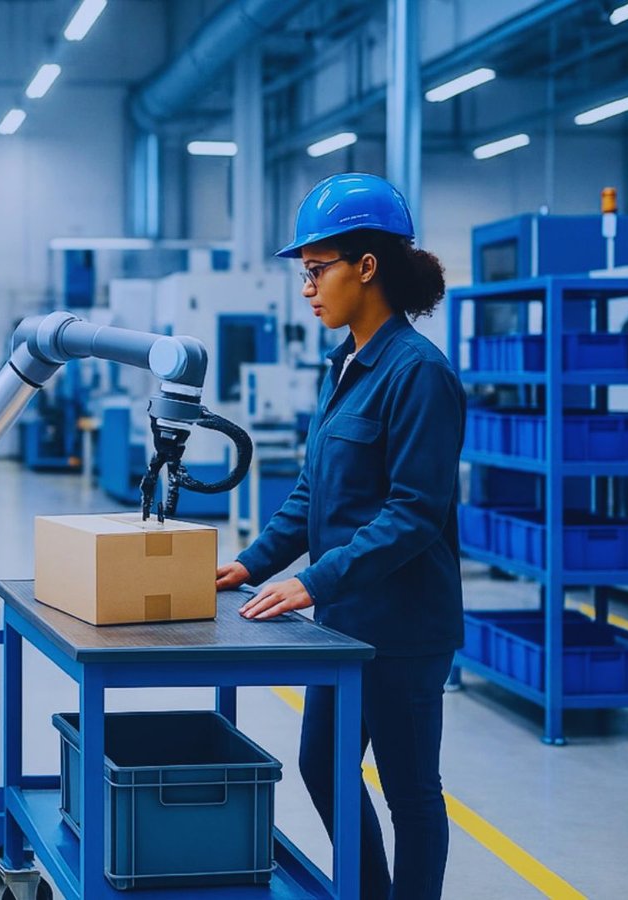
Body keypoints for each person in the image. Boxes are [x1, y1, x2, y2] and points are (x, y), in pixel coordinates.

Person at [216, 172, 465, 900]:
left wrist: (313, 580)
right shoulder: (344, 366)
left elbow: (415, 513)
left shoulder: (418, 374)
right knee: (322, 765)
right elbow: (312, 491)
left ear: (367, 267)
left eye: (317, 270)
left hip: (405, 628)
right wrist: (252, 563)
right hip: (345, 622)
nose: (307, 289)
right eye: (304, 273)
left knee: (411, 793)